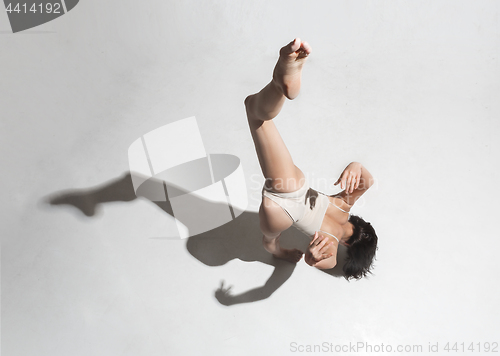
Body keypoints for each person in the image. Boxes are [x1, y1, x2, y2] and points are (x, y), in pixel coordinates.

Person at [244, 38, 378, 280]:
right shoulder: (332, 244)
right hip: (280, 215)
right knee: (270, 242)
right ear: (350, 248)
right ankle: (281, 253)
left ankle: (279, 85)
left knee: (258, 116)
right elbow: (320, 261)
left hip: (293, 185)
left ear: (361, 224)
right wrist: (311, 257)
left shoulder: (343, 207)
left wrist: (355, 166)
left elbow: (367, 182)